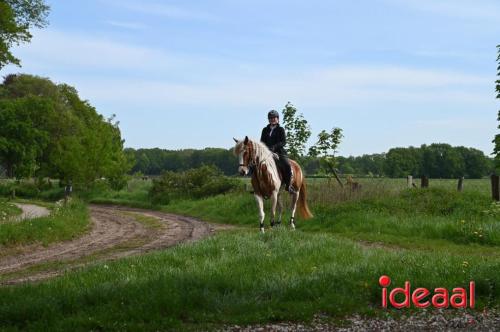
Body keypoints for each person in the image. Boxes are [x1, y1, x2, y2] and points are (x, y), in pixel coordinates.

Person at [260, 110, 296, 193]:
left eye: (274, 118)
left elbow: (283, 142)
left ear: (277, 119)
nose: (272, 119)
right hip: (266, 153)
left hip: (279, 152)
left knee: (287, 165)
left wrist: (274, 147)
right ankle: (257, 186)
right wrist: (265, 148)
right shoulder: (265, 130)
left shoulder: (281, 129)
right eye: (270, 118)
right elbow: (262, 141)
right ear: (268, 119)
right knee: (254, 164)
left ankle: (288, 186)